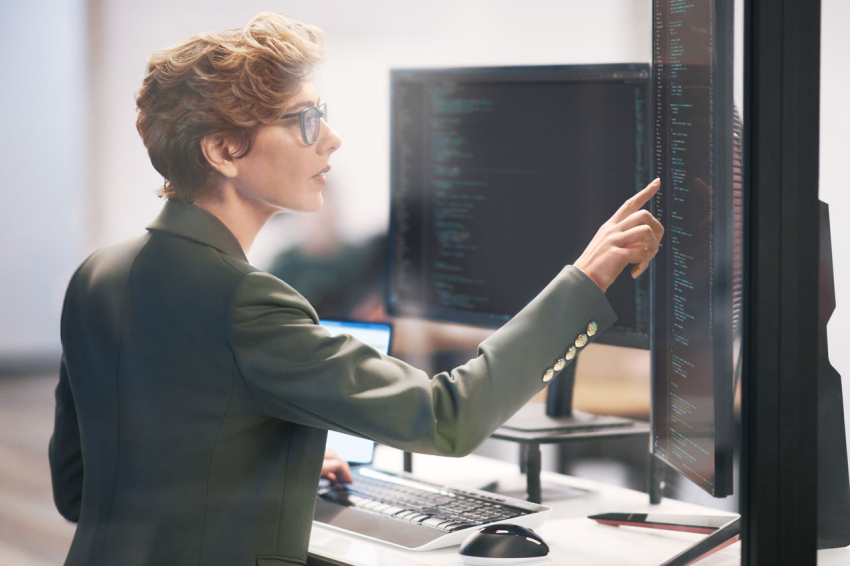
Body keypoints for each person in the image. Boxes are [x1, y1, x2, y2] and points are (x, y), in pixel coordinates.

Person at [48, 12, 663, 566]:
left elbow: (79, 487)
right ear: (223, 150)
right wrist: (588, 278)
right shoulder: (246, 302)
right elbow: (446, 417)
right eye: (305, 119)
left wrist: (264, 471)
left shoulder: (98, 275)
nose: (332, 138)